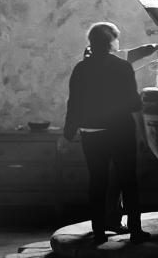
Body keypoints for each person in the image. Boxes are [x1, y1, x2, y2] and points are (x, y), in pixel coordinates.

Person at [59, 21, 151, 242]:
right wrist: (143, 134)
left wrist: (67, 134)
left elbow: (74, 104)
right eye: (116, 38)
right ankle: (136, 231)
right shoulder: (122, 67)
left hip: (92, 133)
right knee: (128, 181)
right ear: (111, 42)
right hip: (120, 131)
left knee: (97, 181)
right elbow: (134, 104)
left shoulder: (81, 68)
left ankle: (99, 232)